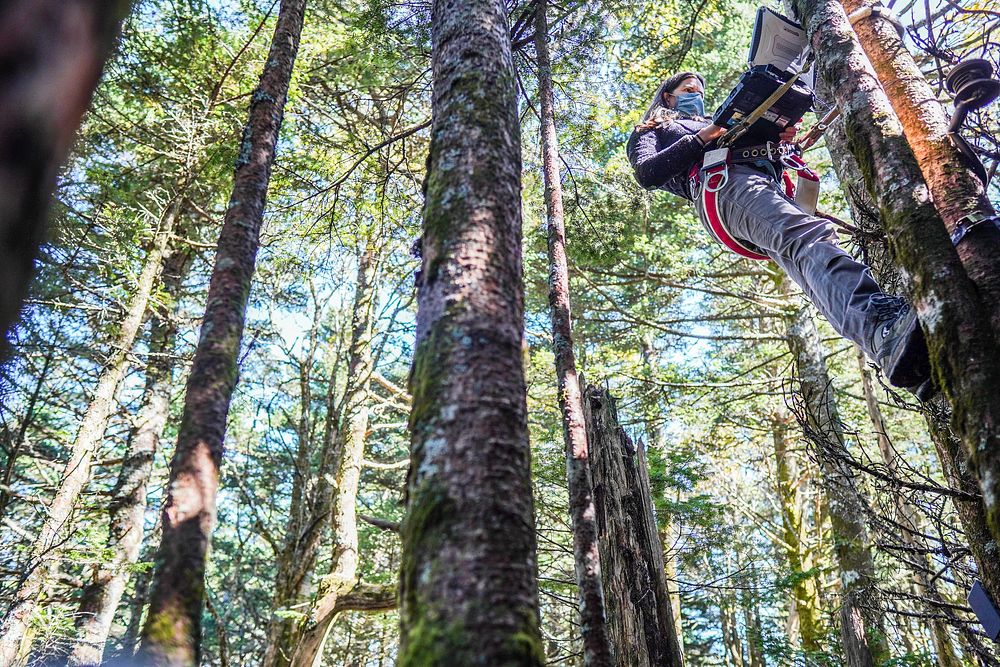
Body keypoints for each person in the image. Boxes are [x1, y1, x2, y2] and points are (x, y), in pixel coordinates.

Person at [626, 71, 933, 395]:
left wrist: (776, 138)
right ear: (667, 96)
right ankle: (881, 327)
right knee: (809, 239)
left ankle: (904, 360)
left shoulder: (716, 124)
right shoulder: (653, 129)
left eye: (700, 90)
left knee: (806, 257)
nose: (695, 94)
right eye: (688, 89)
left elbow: (753, 149)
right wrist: (705, 135)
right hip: (722, 186)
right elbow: (648, 173)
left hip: (754, 185)